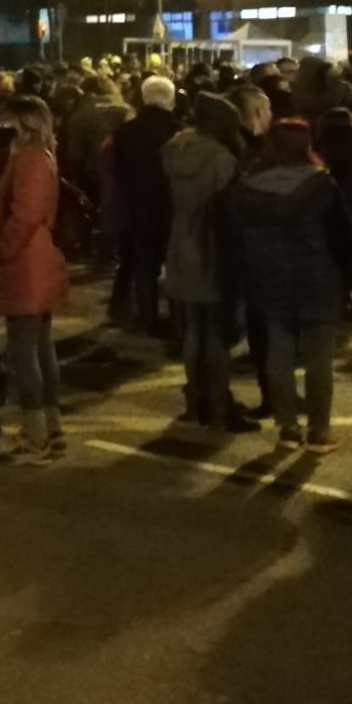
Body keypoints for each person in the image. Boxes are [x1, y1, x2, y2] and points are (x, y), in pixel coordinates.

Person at [225, 118, 352, 454]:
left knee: (278, 350)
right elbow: (343, 239)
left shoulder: (248, 187)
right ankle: (319, 431)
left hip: (268, 276)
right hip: (317, 277)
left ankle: (287, 428)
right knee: (319, 358)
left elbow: (236, 237)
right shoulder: (321, 186)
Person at [162, 92, 258, 434]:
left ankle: (196, 400)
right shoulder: (222, 159)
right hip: (213, 245)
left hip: (181, 241)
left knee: (192, 329)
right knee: (217, 332)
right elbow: (231, 210)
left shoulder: (174, 150)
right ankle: (219, 404)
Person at [0, 97, 68, 461]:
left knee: (25, 350)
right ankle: (51, 426)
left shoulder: (32, 158)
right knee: (39, 347)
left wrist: (3, 248)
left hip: (27, 264)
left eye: (8, 122)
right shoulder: (38, 155)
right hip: (35, 261)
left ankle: (36, 433)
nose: (2, 129)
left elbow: (26, 213)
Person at [110, 74, 182, 332]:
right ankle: (177, 319)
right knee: (175, 266)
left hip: (138, 206)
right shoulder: (179, 131)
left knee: (144, 264)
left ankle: (147, 315)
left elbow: (117, 169)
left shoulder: (126, 132)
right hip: (172, 207)